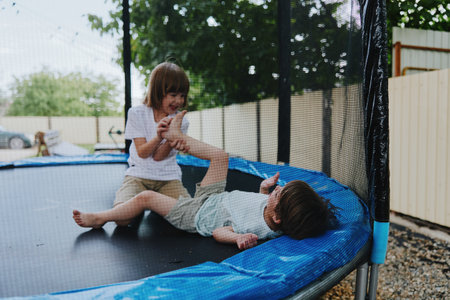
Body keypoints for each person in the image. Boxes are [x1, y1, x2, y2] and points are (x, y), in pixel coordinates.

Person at [73, 111, 339, 250]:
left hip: (197, 215)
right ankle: (176, 136)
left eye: (278, 194)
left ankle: (101, 217)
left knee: (146, 198)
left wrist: (236, 239)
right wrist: (263, 189)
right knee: (221, 157)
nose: (277, 189)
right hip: (214, 197)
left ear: (278, 218)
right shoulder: (275, 214)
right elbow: (259, 204)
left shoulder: (256, 230)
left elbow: (218, 231)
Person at [114, 62, 191, 226]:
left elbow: (158, 157)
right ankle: (143, 203)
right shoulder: (137, 113)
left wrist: (171, 139)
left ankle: (151, 203)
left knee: (189, 215)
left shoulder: (181, 122)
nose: (178, 100)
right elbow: (142, 152)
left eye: (182, 95)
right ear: (158, 92)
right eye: (173, 94)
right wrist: (158, 136)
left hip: (168, 179)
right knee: (121, 219)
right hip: (138, 177)